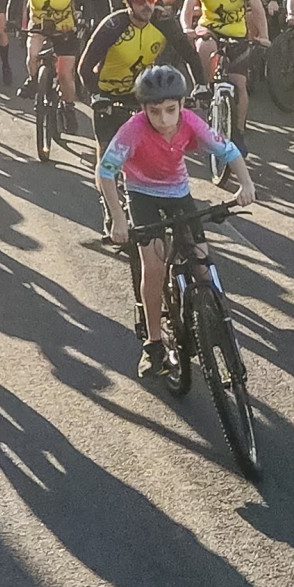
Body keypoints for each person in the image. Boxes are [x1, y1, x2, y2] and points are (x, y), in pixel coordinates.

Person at [99, 65, 255, 374]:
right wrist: (118, 218)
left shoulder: (191, 122)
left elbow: (229, 151)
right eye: (154, 112)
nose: (164, 119)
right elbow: (105, 172)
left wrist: (246, 184)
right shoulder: (133, 129)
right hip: (142, 192)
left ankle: (211, 317)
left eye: (171, 110)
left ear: (182, 104)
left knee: (202, 263)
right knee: (154, 267)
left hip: (177, 191)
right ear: (143, 109)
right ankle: (154, 342)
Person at [80, 0, 206, 170]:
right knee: (107, 161)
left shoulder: (163, 21)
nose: (147, 5)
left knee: (153, 153)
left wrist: (201, 85)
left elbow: (189, 54)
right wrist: (96, 95)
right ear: (128, 2)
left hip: (142, 94)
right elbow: (85, 67)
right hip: (108, 95)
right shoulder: (113, 25)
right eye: (140, 0)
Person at [182, 0, 268, 137]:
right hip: (209, 28)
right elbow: (187, 8)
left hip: (237, 34)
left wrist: (264, 36)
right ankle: (204, 86)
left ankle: (239, 131)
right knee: (205, 45)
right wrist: (187, 28)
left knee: (240, 84)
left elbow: (257, 9)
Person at [6, 0, 83, 122]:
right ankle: (33, 80)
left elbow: (85, 1)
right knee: (32, 55)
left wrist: (84, 20)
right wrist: (11, 21)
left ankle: (69, 107)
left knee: (65, 75)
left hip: (65, 27)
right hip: (39, 24)